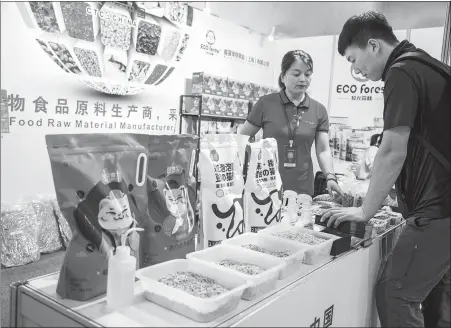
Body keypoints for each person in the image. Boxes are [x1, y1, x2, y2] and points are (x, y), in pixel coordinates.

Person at [320, 11, 450, 328]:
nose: (356, 70)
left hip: (438, 210)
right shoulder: (428, 66)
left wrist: (366, 210)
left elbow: (393, 149)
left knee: (395, 292)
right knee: (433, 297)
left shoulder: (402, 72)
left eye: (354, 59)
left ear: (374, 46)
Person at [240, 50, 343, 197]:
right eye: (296, 74)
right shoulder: (266, 104)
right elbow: (242, 138)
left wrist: (330, 177)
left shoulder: (318, 110)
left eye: (307, 75)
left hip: (303, 188)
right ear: (283, 77)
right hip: (266, 185)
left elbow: (323, 150)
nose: (303, 79)